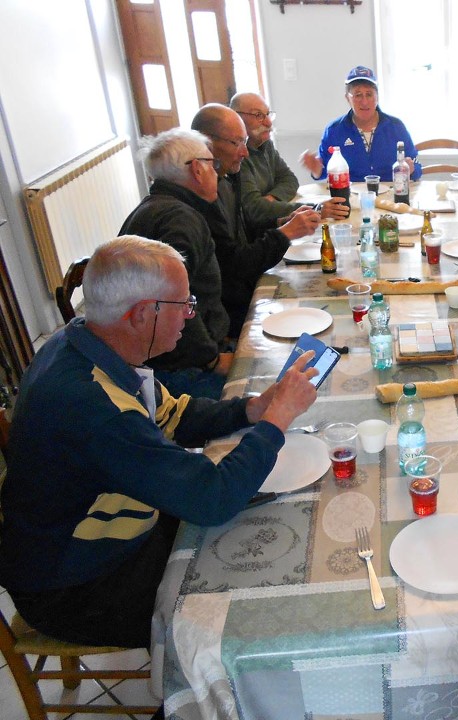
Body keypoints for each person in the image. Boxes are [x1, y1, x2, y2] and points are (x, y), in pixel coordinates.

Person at [0, 236, 319, 649]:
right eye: (183, 304)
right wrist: (277, 421)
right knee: (251, 606)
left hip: (99, 542)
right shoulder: (96, 408)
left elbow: (176, 414)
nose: (190, 314)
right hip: (77, 585)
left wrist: (252, 410)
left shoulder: (84, 343)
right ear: (141, 315)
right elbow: (213, 498)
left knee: (264, 519)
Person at [118, 128, 232, 399]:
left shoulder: (153, 208)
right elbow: (173, 300)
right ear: (197, 170)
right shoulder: (180, 220)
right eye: (212, 164)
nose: (217, 173)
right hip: (180, 370)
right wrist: (212, 360)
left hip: (160, 357)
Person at [192, 104, 321, 337]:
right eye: (237, 143)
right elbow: (236, 266)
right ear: (207, 142)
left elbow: (246, 229)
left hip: (240, 297)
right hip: (231, 315)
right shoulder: (203, 198)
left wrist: (281, 221)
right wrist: (285, 233)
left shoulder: (225, 179)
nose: (245, 152)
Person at [230, 92, 348, 234]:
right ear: (237, 118)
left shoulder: (265, 144)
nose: (268, 123)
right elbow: (254, 209)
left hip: (273, 226)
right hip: (257, 237)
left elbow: (290, 180)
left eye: (267, 114)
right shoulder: (237, 155)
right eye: (258, 115)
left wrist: (271, 199)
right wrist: (315, 209)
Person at [300, 65, 421, 183]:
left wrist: (411, 169)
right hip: (350, 194)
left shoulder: (396, 127)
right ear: (347, 98)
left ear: (377, 97)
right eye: (358, 95)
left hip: (392, 193)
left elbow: (417, 167)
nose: (364, 102)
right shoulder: (334, 130)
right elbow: (324, 171)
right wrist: (315, 169)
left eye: (369, 94)